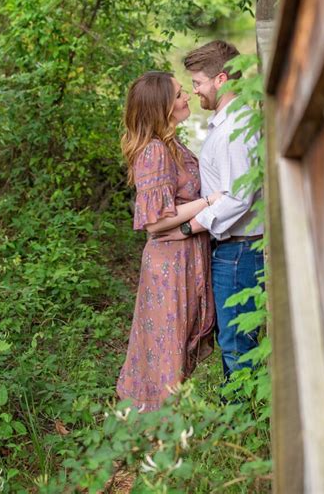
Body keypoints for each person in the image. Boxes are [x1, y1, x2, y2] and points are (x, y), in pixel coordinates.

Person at [159, 41, 264, 381]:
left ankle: (240, 409)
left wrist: (188, 227)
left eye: (198, 83)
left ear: (221, 79)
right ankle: (239, 404)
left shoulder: (235, 130)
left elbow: (238, 197)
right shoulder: (225, 123)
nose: (195, 91)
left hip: (240, 252)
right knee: (232, 340)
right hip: (231, 251)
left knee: (236, 344)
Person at [116, 71, 220, 411]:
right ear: (161, 106)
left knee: (177, 344)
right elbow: (157, 220)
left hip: (185, 255)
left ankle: (166, 425)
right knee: (167, 349)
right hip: (169, 263)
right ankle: (157, 428)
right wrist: (210, 201)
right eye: (178, 95)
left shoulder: (172, 146)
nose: (187, 97)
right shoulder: (154, 151)